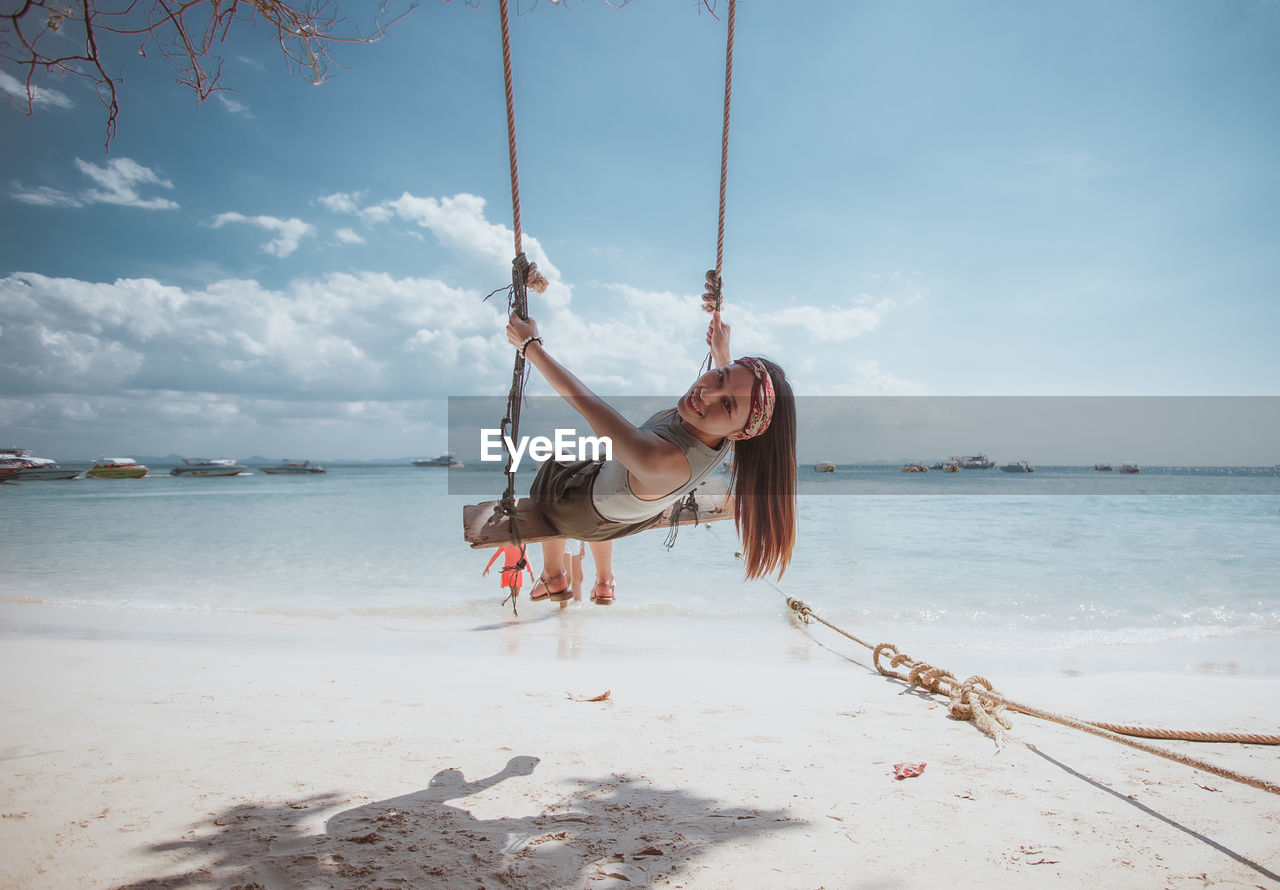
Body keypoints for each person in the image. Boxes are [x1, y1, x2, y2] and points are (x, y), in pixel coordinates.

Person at [505, 271, 797, 603]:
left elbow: (585, 404)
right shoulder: (731, 432)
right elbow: (736, 395)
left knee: (552, 465)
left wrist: (531, 347)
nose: (706, 394)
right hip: (631, 517)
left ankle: (553, 575)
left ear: (739, 434)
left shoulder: (662, 461)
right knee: (602, 466)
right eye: (719, 377)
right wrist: (722, 354)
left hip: (581, 514)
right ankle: (602, 580)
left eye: (726, 404)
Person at [482, 543, 535, 608]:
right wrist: (530, 572)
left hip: (507, 571)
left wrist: (488, 566)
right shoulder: (521, 544)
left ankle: (511, 608)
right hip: (516, 571)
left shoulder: (504, 544)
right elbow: (525, 558)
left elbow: (496, 555)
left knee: (514, 594)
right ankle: (514, 609)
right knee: (516, 595)